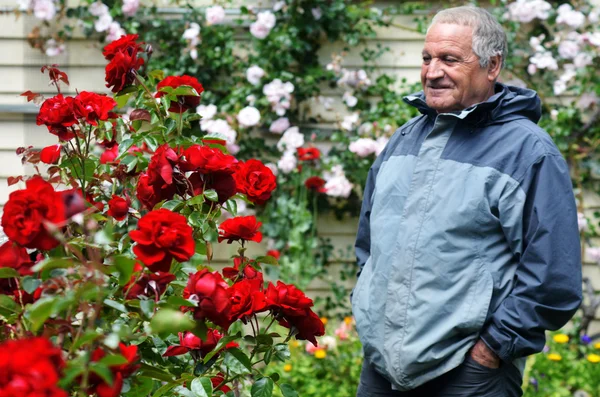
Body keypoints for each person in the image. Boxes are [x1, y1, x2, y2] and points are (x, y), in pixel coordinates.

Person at [352, 6, 582, 397]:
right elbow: (369, 247)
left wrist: (491, 350)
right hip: (380, 371)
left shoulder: (527, 152)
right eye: (427, 58)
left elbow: (553, 276)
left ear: (491, 66)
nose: (432, 71)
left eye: (450, 59)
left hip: (469, 376)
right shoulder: (404, 140)